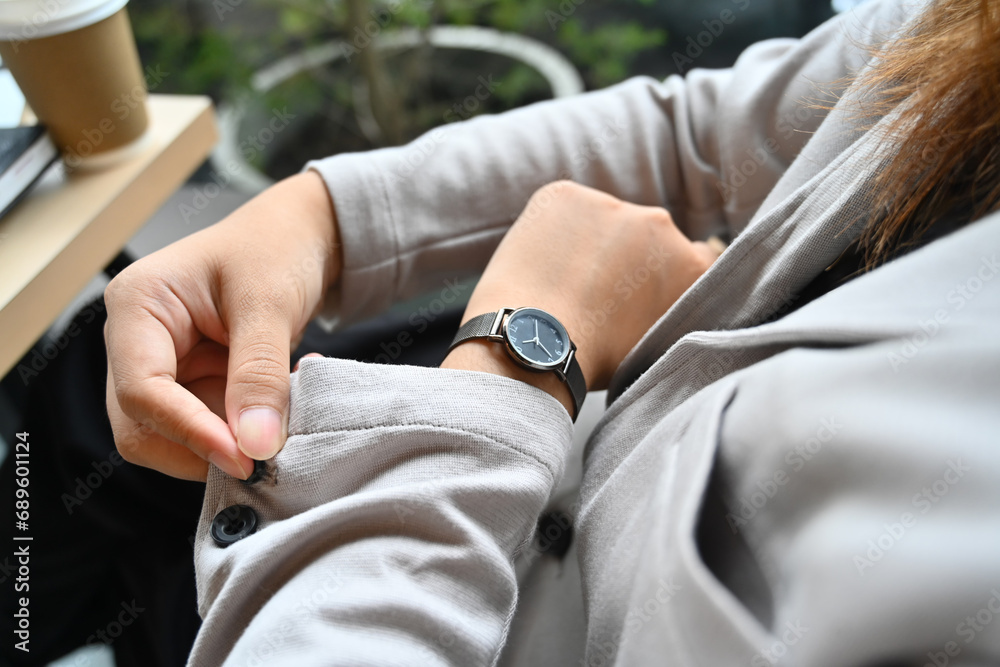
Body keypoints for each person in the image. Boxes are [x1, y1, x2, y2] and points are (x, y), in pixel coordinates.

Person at [103, 0, 1000, 663]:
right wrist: (321, 219)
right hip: (524, 478)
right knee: (109, 422)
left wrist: (511, 360)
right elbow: (706, 132)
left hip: (410, 579)